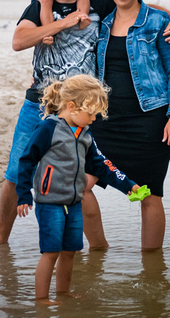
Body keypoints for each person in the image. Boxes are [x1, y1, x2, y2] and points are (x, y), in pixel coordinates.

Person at [0, 0, 170, 246]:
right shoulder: (39, 6)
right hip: (45, 104)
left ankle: (103, 253)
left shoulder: (99, 5)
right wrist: (64, 23)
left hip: (88, 111)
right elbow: (18, 41)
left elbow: (138, 7)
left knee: (101, 182)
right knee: (19, 172)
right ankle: (2, 240)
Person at [88, 0, 170, 252]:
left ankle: (152, 268)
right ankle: (99, 251)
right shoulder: (101, 23)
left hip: (150, 123)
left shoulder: (158, 22)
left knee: (148, 196)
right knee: (79, 186)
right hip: (106, 123)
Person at [15, 74, 142, 301]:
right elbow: (26, 160)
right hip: (50, 202)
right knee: (51, 252)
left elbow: (101, 166)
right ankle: (42, 300)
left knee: (70, 252)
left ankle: (63, 294)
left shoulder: (84, 134)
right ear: (72, 107)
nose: (94, 119)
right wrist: (24, 194)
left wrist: (128, 185)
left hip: (74, 203)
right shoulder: (48, 129)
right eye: (91, 113)